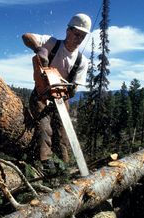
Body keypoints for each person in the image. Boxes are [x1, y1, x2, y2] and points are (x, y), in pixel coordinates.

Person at [22, 13, 91, 177]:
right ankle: (45, 164)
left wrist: (67, 88)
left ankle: (63, 169)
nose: (78, 39)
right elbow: (26, 37)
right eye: (76, 34)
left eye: (82, 37)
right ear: (68, 30)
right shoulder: (52, 43)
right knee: (44, 127)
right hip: (41, 94)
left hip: (61, 97)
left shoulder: (82, 61)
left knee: (63, 133)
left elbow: (73, 90)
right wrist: (40, 49)